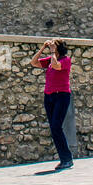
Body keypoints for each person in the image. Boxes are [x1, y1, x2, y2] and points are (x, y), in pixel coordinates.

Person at [30, 38, 73, 171]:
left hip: (62, 95)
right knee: (54, 129)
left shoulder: (65, 60)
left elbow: (56, 65)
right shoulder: (50, 59)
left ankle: (67, 158)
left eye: (54, 46)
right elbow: (34, 62)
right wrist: (43, 48)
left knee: (56, 126)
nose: (51, 47)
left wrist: (53, 51)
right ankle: (65, 159)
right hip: (49, 96)